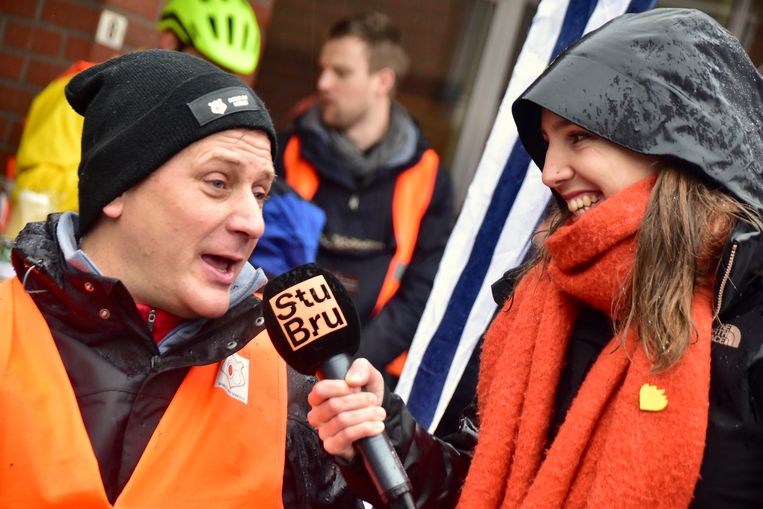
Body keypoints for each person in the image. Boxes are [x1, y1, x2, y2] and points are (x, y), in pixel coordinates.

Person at [306, 8, 763, 508]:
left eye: (579, 136)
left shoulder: (750, 309)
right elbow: (474, 482)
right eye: (547, 143)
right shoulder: (536, 297)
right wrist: (385, 435)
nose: (549, 172)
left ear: (677, 142)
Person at [0, 50, 362, 508]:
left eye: (260, 193)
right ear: (117, 189)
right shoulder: (7, 329)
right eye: (217, 183)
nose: (253, 222)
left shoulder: (292, 390)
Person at [2, 0, 323, 280]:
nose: (215, 88)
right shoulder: (84, 99)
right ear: (170, 42)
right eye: (205, 66)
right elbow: (36, 207)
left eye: (230, 77)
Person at [277, 12, 453, 386]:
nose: (323, 82)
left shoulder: (429, 175)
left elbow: (423, 290)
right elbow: (263, 263)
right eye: (323, 69)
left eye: (340, 72)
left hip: (371, 381)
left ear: (382, 80)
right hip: (279, 364)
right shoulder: (285, 153)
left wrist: (349, 367)